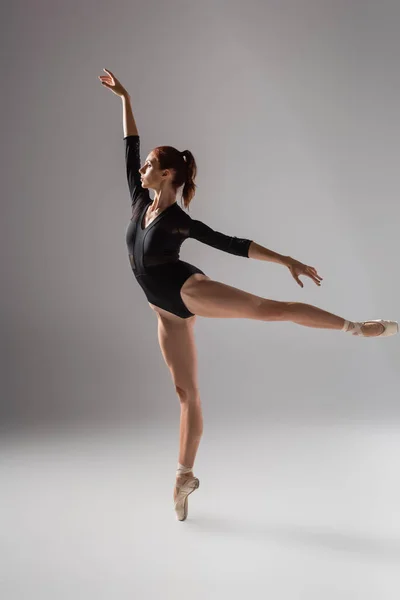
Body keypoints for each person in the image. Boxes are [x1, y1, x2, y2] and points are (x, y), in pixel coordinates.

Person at [98, 68, 398, 521]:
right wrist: (126, 99)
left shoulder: (179, 221)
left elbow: (233, 244)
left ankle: (359, 327)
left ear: (168, 174)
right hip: (164, 313)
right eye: (142, 167)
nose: (140, 170)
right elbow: (129, 147)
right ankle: (184, 477)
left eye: (148, 167)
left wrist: (288, 262)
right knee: (187, 393)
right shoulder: (140, 201)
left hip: (188, 290)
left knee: (268, 310)